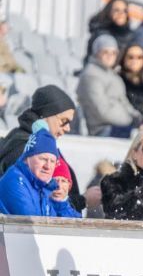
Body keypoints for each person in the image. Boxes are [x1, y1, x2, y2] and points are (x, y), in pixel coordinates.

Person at [0, 85, 89, 213]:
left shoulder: (35, 144)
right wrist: (82, 201)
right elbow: (37, 206)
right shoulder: (26, 149)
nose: (68, 128)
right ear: (46, 115)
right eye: (64, 121)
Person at [0, 121, 80, 218]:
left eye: (52, 161)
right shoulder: (15, 181)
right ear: (27, 158)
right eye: (43, 159)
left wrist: (59, 202)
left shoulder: (42, 187)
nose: (48, 166)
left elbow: (60, 223)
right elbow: (32, 225)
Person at [77, 35, 143, 138]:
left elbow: (124, 102)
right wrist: (130, 120)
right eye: (105, 52)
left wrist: (136, 116)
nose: (110, 56)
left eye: (113, 53)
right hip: (102, 130)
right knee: (141, 139)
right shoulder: (90, 75)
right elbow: (102, 112)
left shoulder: (113, 75)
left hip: (121, 125)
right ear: (96, 52)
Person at [84, 0, 133, 66]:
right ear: (109, 12)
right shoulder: (101, 33)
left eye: (124, 11)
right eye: (116, 10)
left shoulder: (130, 35)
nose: (121, 13)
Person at [120, 44, 143, 121]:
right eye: (131, 57)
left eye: (139, 57)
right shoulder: (117, 79)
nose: (135, 61)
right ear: (124, 58)